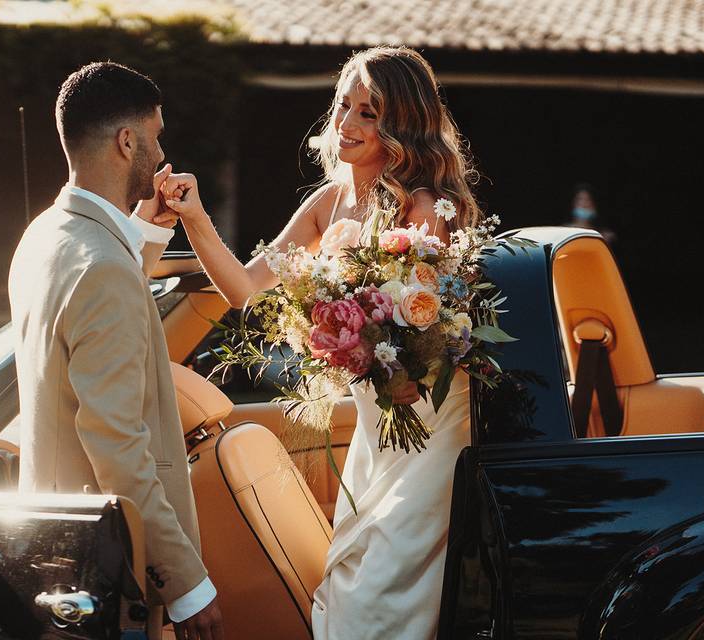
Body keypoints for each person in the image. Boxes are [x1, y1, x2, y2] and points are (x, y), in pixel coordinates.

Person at [156, 46, 480, 639]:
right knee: (351, 570)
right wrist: (195, 218)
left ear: (402, 124)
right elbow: (245, 290)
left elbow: (426, 332)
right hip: (374, 418)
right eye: (343, 106)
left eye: (370, 113)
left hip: (427, 422)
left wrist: (358, 334)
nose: (347, 124)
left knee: (384, 590)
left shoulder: (426, 208)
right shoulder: (326, 203)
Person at [8, 62, 223, 640]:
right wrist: (185, 583)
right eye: (155, 137)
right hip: (105, 569)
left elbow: (97, 300)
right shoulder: (103, 269)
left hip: (53, 540)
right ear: (128, 142)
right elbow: (118, 448)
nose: (160, 153)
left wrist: (146, 234)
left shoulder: (45, 235)